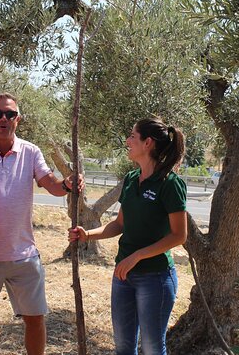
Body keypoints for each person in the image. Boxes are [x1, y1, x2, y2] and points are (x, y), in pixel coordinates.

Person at [0, 92, 84, 355]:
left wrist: (67, 185)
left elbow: (51, 185)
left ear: (18, 119)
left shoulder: (30, 152)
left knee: (35, 319)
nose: (3, 119)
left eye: (10, 114)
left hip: (24, 256)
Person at [69, 118, 187, 355]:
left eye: (133, 136)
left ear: (148, 143)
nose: (128, 141)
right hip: (123, 276)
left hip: (156, 278)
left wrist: (137, 256)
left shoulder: (170, 184)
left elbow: (179, 236)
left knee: (153, 348)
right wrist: (86, 235)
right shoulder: (132, 180)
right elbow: (120, 224)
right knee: (123, 347)